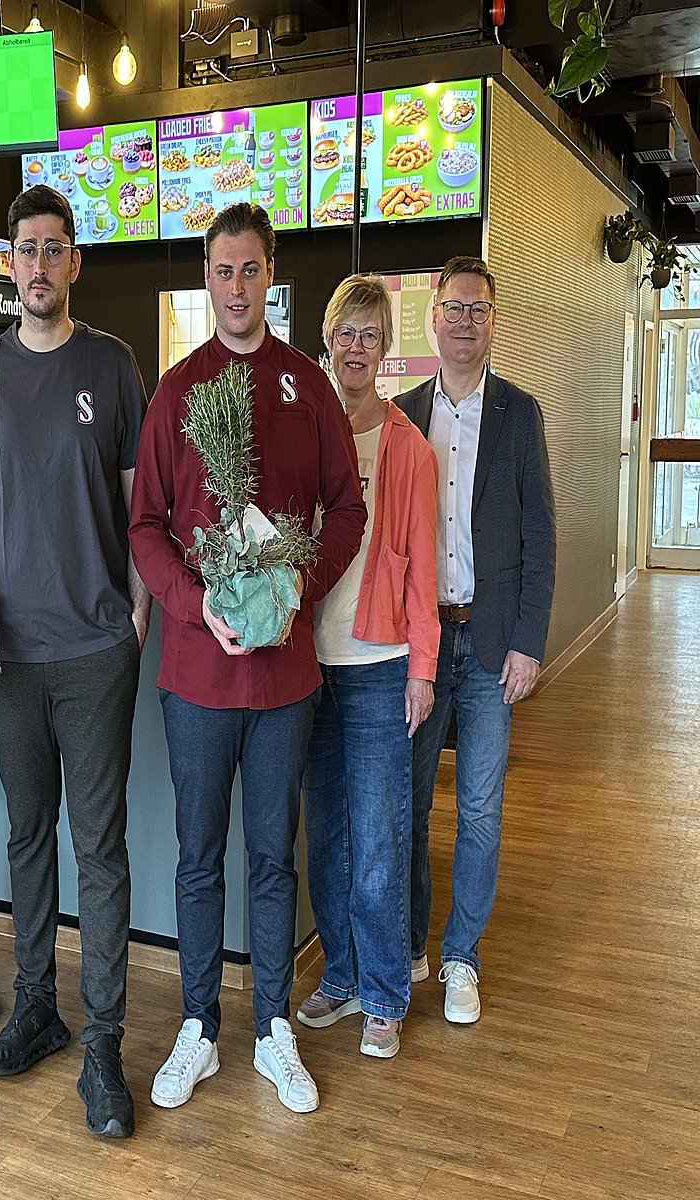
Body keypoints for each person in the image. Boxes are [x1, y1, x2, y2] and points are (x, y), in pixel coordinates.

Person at [128, 203, 367, 1115]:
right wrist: (194, 605)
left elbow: (348, 509)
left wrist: (301, 582)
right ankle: (199, 1027)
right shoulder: (176, 391)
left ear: (272, 274)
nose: (236, 286)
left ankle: (272, 1029)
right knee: (198, 858)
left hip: (283, 681)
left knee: (272, 859)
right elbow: (146, 526)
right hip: (196, 677)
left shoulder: (307, 385)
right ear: (207, 278)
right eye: (223, 270)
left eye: (251, 269)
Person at [0, 184, 149, 1139]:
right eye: (24, 249)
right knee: (28, 835)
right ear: (9, 262)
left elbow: (138, 507)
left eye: (52, 248)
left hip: (98, 652)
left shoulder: (111, 366)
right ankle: (38, 1007)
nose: (37, 264)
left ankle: (103, 1041)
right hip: (10, 661)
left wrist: (138, 613)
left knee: (98, 849)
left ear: (74, 262)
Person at [396, 256, 555, 1024]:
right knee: (410, 804)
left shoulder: (520, 414)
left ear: (494, 321)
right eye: (454, 307)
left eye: (478, 309)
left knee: (481, 810)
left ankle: (462, 956)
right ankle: (410, 945)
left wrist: (529, 641)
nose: (465, 321)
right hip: (421, 647)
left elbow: (540, 534)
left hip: (491, 644)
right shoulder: (402, 414)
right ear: (434, 316)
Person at [293, 274, 439, 1061]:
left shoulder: (408, 448)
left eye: (370, 335)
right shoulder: (303, 428)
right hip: (308, 663)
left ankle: (384, 994)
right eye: (346, 332)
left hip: (382, 664)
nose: (357, 347)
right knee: (327, 835)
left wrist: (423, 668)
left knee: (380, 837)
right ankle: (342, 976)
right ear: (328, 340)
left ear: (386, 349)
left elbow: (421, 565)